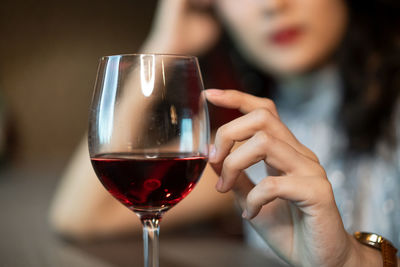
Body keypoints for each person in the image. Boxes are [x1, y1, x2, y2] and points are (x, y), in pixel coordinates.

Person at [49, 0, 400, 266]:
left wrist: (356, 260)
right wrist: (165, 40)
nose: (273, 6)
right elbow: (79, 216)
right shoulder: (255, 141)